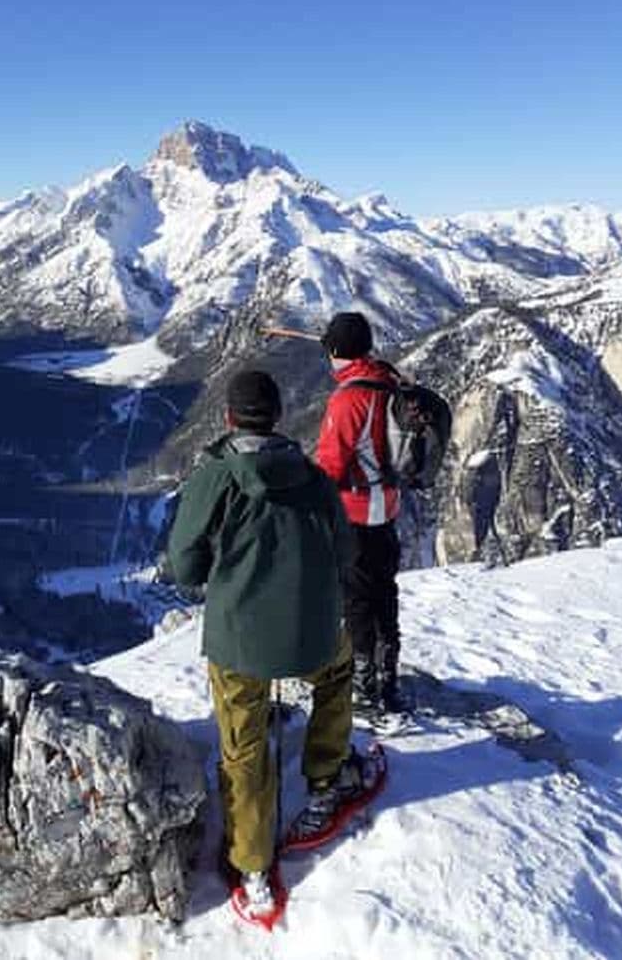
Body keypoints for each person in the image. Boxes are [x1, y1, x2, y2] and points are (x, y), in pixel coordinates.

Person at [167, 369, 366, 921]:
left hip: (238, 637)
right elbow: (345, 552)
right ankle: (326, 779)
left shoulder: (216, 476)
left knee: (244, 744)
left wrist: (218, 571)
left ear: (228, 417)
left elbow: (185, 564)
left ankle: (251, 862)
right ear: (278, 416)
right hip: (312, 629)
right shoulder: (311, 475)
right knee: (336, 674)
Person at [315, 311, 406, 722]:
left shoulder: (348, 398)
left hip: (355, 512)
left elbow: (332, 464)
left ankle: (364, 680)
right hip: (388, 505)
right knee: (385, 592)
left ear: (335, 352)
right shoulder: (390, 381)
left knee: (356, 599)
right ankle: (389, 675)